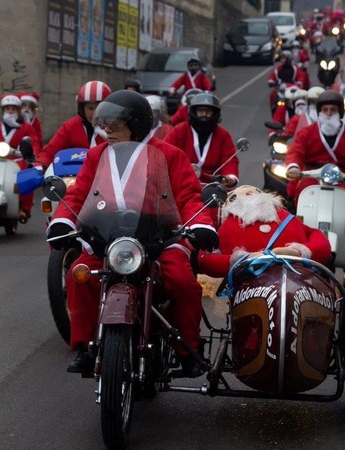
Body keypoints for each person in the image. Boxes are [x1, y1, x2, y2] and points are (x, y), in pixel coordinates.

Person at [46, 90, 218, 377]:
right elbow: (78, 195)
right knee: (80, 274)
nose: (106, 131)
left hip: (161, 237)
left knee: (182, 281)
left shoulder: (170, 155)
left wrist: (201, 225)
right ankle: (87, 346)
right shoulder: (96, 155)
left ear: (136, 125)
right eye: (104, 124)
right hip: (109, 237)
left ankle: (188, 349)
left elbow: (189, 196)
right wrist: (63, 221)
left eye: (115, 124)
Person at [284, 90, 345, 245]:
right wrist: (294, 167)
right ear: (319, 112)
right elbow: (296, 150)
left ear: (340, 112)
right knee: (299, 194)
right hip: (311, 176)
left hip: (341, 177)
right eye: (325, 110)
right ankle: (299, 236)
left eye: (333, 110)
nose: (329, 113)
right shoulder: (307, 133)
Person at [195, 185, 332, 278]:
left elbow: (206, 258)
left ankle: (252, 259)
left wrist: (237, 260)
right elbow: (320, 239)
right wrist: (301, 251)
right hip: (286, 274)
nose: (247, 194)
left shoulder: (283, 215)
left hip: (256, 276)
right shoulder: (284, 215)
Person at [0, 93, 41, 221]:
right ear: (3, 110)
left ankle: (24, 207)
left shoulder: (26, 127)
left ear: (18, 111)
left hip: (17, 159)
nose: (10, 111)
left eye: (13, 109)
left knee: (26, 175)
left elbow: (35, 142)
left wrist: (32, 154)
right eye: (7, 108)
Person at [164, 92, 239, 189]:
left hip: (214, 187)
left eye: (208, 111)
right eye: (200, 111)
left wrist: (230, 177)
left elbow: (230, 159)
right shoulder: (179, 131)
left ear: (215, 113)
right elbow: (165, 153)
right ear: (194, 112)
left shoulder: (223, 135)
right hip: (182, 184)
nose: (204, 114)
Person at [35, 80, 111, 169]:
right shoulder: (70, 126)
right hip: (76, 177)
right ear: (82, 109)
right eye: (90, 108)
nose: (95, 113)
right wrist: (39, 167)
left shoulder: (116, 128)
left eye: (99, 108)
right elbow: (49, 152)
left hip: (108, 177)